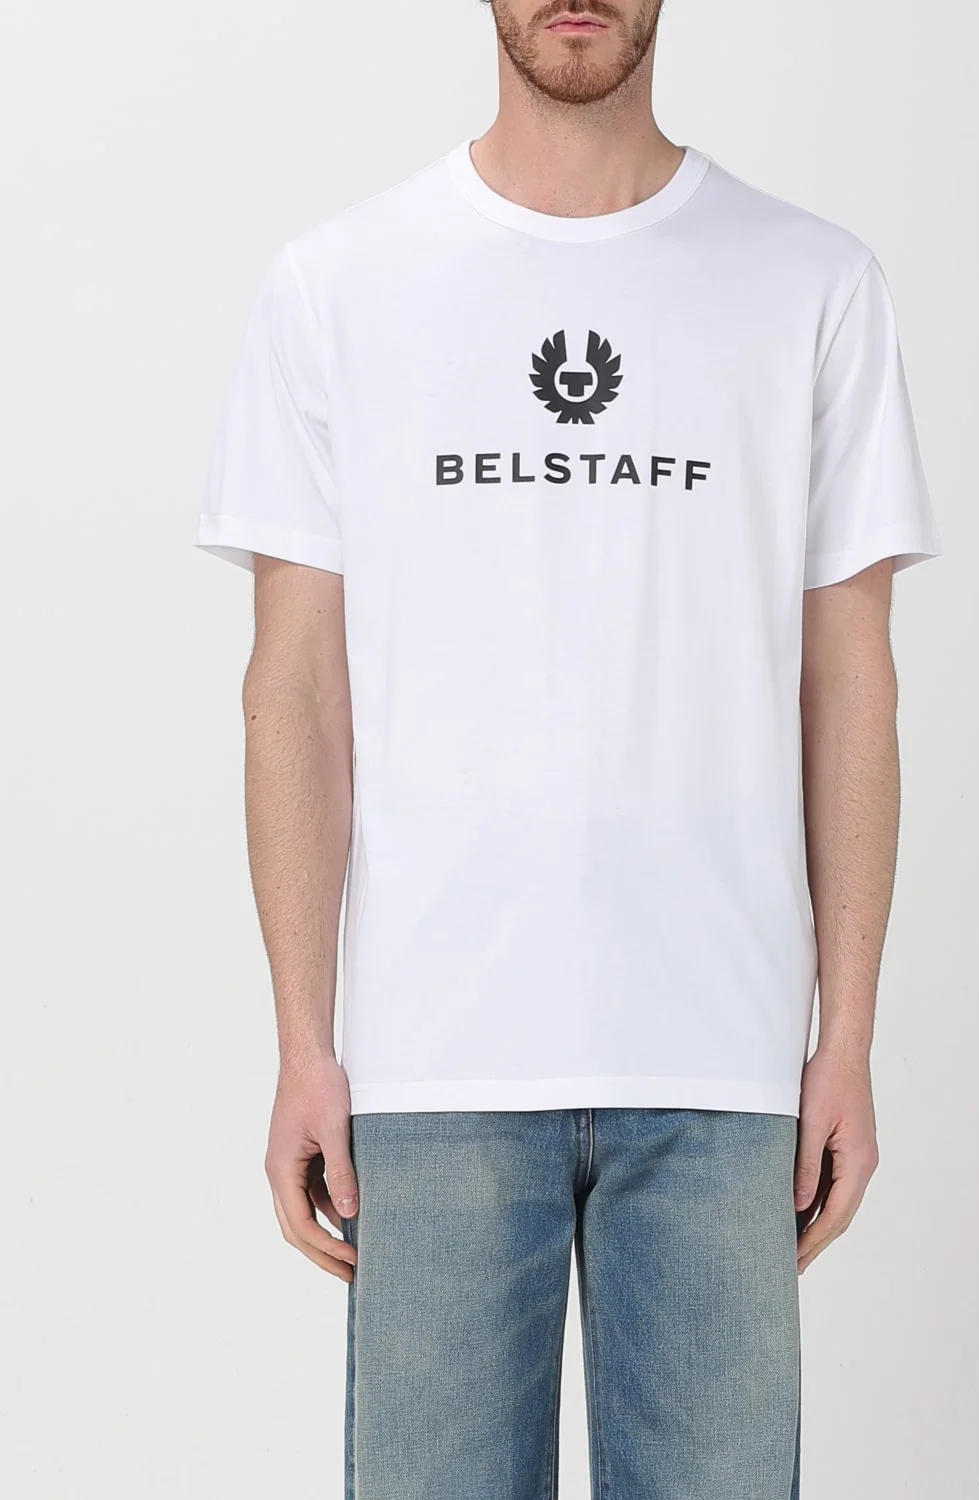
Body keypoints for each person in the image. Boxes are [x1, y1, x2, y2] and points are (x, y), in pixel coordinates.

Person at [197, 2, 940, 1496]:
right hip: (433, 1062)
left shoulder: (813, 284)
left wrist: (846, 1040)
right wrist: (304, 1046)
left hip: (725, 1062)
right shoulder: (338, 286)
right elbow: (295, 693)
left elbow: (850, 686)